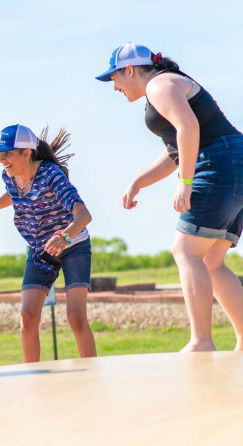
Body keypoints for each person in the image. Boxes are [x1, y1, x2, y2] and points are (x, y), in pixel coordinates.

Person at [96, 42, 243, 352]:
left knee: (185, 251)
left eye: (114, 78)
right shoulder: (165, 86)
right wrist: (140, 181)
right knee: (211, 260)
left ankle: (202, 341)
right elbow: (177, 147)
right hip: (233, 160)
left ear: (130, 70)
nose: (114, 87)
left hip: (219, 162)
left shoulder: (159, 85)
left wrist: (186, 181)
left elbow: (188, 127)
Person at [0, 124, 96, 363]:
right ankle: (32, 376)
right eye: (0, 155)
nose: (2, 160)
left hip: (73, 245)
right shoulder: (10, 177)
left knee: (76, 317)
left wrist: (64, 237)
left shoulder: (50, 174)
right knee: (27, 315)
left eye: (8, 154)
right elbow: (12, 195)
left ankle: (92, 372)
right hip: (39, 250)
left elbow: (84, 215)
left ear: (26, 152)